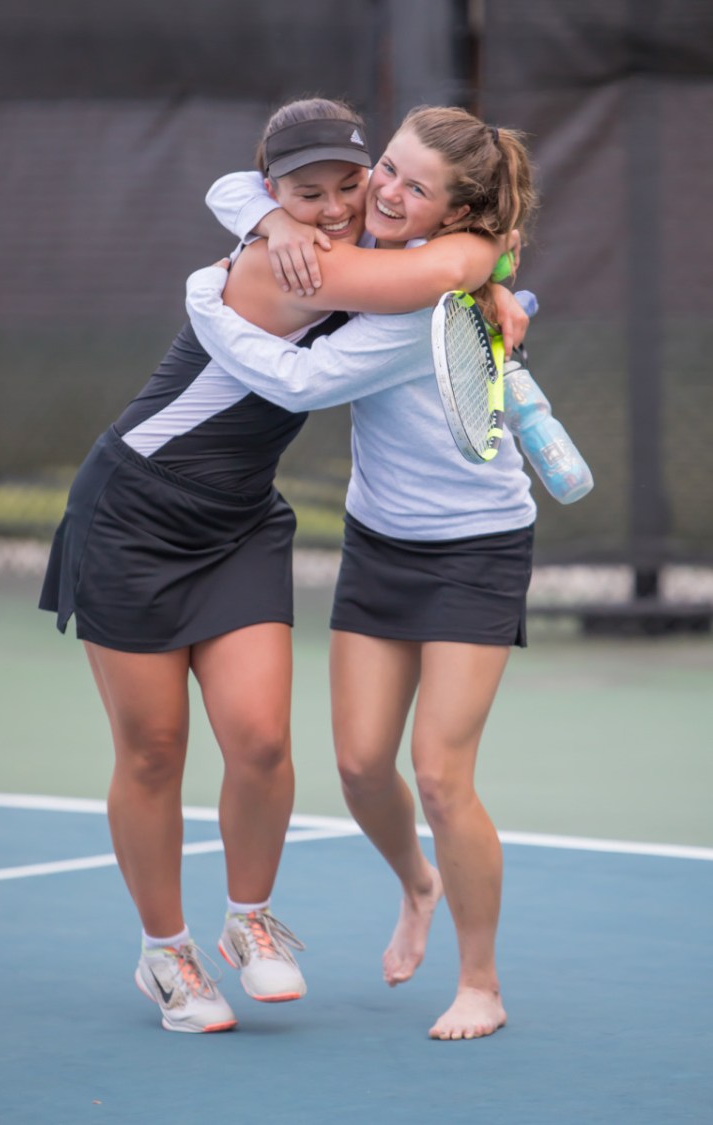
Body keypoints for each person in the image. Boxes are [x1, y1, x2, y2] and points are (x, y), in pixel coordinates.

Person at [38, 97, 512, 1034]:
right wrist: (482, 265)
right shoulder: (296, 260)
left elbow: (454, 263)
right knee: (154, 749)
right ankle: (164, 952)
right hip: (134, 511)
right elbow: (456, 263)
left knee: (258, 742)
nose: (339, 205)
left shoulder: (342, 243)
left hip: (241, 520)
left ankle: (249, 924)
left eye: (355, 180)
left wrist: (486, 276)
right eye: (309, 191)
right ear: (272, 190)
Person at [186, 103, 539, 1041]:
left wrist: (204, 302)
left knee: (439, 774)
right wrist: (273, 221)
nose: (381, 189)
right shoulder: (374, 254)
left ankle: (480, 982)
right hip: (381, 537)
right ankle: (417, 882)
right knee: (357, 763)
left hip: (476, 545)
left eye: (412, 186)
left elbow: (300, 382)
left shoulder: (424, 286)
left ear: (454, 215)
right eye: (386, 165)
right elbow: (236, 185)